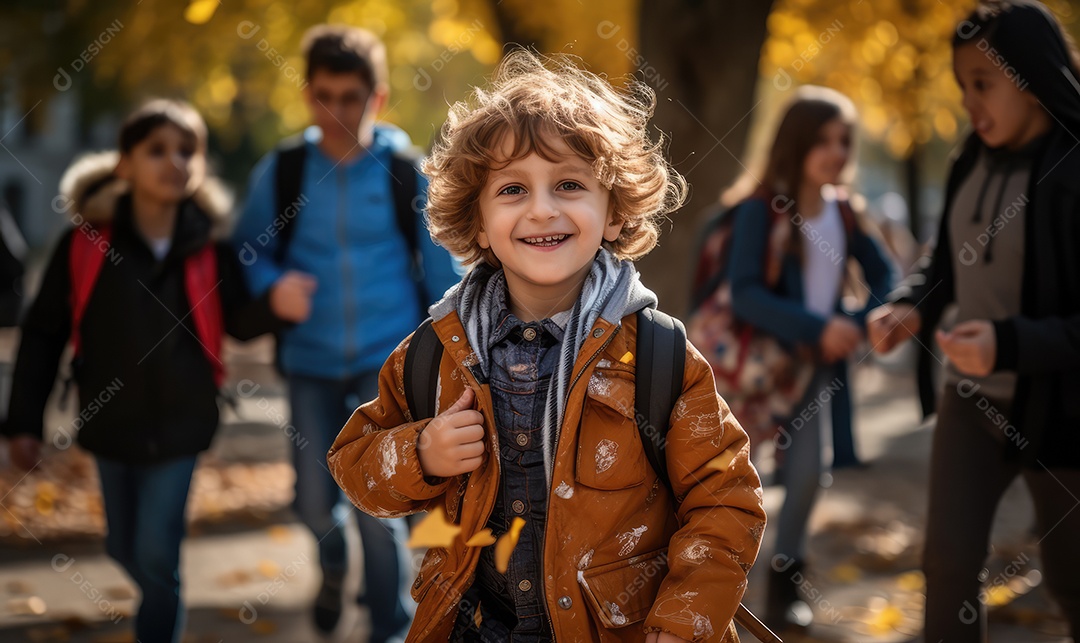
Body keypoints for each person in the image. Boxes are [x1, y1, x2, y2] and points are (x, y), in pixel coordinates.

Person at [327, 49, 766, 643]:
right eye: (512, 189)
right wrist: (420, 453)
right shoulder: (438, 353)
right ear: (478, 222)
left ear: (612, 212)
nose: (541, 209)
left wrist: (685, 623)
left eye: (568, 184)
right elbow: (353, 463)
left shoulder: (658, 357)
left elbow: (726, 498)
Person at [2, 99, 290, 643]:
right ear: (124, 165)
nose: (174, 162)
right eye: (156, 150)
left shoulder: (208, 248)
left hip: (184, 422)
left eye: (188, 151)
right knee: (122, 548)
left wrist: (277, 304)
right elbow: (43, 335)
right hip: (109, 422)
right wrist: (23, 423)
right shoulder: (86, 246)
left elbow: (240, 324)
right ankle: (159, 593)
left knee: (158, 553)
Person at [231, 24, 460, 640]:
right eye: (324, 95)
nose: (337, 111)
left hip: (384, 363)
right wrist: (270, 284)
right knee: (313, 499)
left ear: (377, 98)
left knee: (377, 507)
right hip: (309, 362)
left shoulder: (409, 173)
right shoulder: (281, 171)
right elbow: (247, 249)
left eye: (351, 97)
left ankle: (387, 625)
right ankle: (331, 566)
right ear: (308, 95)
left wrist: (458, 352)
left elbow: (445, 274)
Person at [868, 1, 1080, 638]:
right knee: (949, 565)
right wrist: (911, 305)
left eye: (981, 84)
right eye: (962, 86)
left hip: (1065, 416)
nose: (967, 102)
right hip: (972, 400)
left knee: (1072, 583)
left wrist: (1008, 343)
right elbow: (945, 264)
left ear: (1030, 77)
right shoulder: (970, 159)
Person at [721, 86, 894, 631]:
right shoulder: (760, 209)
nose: (837, 152)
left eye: (845, 140)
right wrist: (821, 327)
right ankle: (715, 585)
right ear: (796, 143)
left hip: (814, 371)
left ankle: (783, 589)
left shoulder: (844, 211)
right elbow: (745, 292)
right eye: (823, 140)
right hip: (755, 370)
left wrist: (865, 316)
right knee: (728, 478)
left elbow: (887, 272)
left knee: (809, 476)